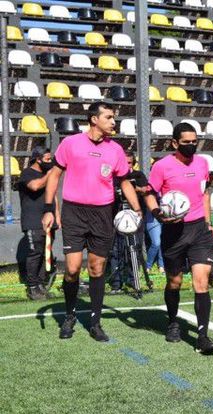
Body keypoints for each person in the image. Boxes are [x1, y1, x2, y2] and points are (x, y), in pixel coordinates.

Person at [42, 101, 142, 342]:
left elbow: (125, 181)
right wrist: (48, 209)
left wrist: (137, 209)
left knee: (97, 268)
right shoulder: (71, 143)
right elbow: (54, 175)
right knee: (73, 269)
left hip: (102, 214)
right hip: (74, 213)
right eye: (108, 117)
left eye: (113, 117)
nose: (113, 121)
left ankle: (95, 323)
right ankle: (69, 315)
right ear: (94, 119)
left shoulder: (116, 149)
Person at [144, 122, 213, 355]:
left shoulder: (203, 163)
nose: (191, 146)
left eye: (194, 142)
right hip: (174, 232)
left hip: (199, 231)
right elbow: (149, 194)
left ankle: (203, 337)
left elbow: (205, 193)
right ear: (175, 143)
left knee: (201, 282)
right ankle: (173, 322)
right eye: (186, 143)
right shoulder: (161, 166)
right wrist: (158, 214)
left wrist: (209, 223)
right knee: (174, 282)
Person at [17, 146, 59, 300]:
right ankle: (32, 287)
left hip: (50, 220)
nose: (50, 162)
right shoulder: (27, 173)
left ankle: (41, 285)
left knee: (45, 252)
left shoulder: (47, 174)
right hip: (33, 220)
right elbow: (35, 186)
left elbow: (53, 196)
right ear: (38, 159)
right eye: (47, 159)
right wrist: (50, 174)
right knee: (35, 252)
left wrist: (58, 217)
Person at [109, 151, 150, 293]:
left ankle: (134, 281)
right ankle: (116, 283)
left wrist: (134, 189)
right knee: (116, 251)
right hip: (116, 218)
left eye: (129, 163)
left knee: (135, 249)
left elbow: (146, 190)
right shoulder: (114, 177)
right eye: (124, 163)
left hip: (134, 218)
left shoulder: (138, 175)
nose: (127, 166)